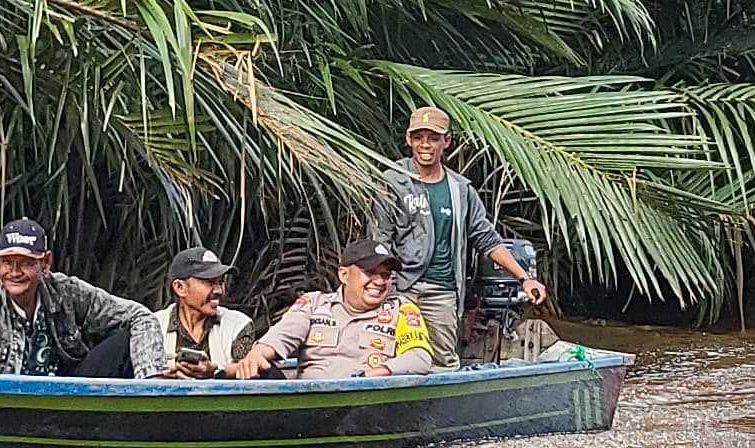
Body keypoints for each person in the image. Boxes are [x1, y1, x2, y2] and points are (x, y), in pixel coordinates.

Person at [364, 103, 546, 366]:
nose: (425, 145)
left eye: (433, 139)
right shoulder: (392, 182)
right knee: (389, 359)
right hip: (401, 289)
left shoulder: (460, 190)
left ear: (446, 141)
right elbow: (379, 241)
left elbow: (486, 238)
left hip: (443, 292)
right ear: (408, 140)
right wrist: (381, 285)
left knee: (443, 364)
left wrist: (525, 278)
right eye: (418, 138)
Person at [0, 219, 147, 377]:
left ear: (45, 263)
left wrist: (151, 376)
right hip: (1, 401)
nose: (14, 273)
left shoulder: (68, 291)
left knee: (124, 338)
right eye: (7, 263)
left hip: (70, 394)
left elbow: (140, 317)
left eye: (25, 263)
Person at [233, 238, 436, 383]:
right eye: (370, 272)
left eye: (385, 275)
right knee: (245, 370)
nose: (379, 281)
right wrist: (256, 354)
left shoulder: (402, 310)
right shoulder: (314, 304)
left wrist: (377, 373)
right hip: (309, 400)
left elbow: (419, 358)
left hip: (368, 397)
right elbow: (280, 337)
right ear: (344, 275)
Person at [134, 247, 253, 378]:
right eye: (210, 282)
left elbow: (248, 369)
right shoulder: (151, 327)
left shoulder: (239, 325)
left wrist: (215, 372)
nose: (219, 290)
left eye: (221, 282)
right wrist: (158, 373)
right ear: (180, 287)